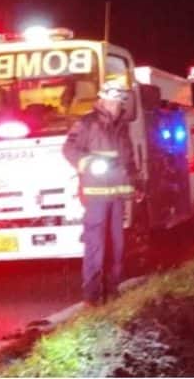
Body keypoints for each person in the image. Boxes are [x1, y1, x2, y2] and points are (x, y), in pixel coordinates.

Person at [62, 78, 138, 305]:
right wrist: (85, 161)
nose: (115, 106)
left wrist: (135, 184)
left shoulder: (121, 127)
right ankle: (93, 295)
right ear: (102, 99)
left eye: (118, 102)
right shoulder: (87, 123)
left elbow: (128, 159)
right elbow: (69, 148)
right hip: (96, 195)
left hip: (116, 196)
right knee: (96, 244)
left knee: (117, 244)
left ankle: (112, 290)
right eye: (111, 101)